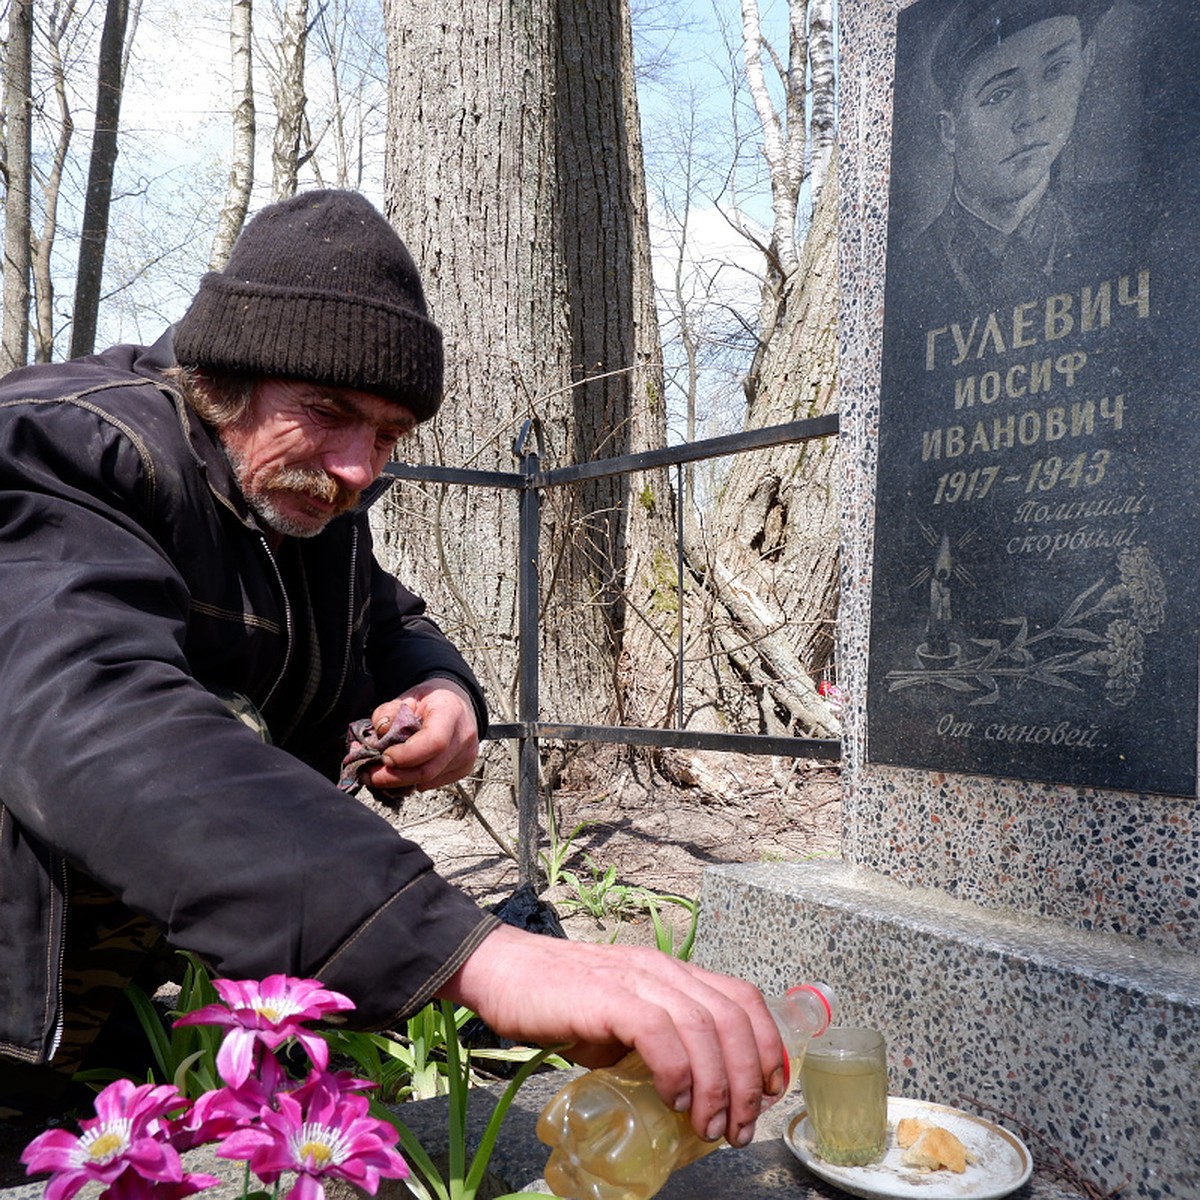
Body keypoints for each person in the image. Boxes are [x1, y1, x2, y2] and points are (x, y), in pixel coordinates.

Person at [0, 190, 784, 1152]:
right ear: (218, 376)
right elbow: (93, 716)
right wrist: (471, 954)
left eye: (389, 436)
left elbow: (384, 615)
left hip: (112, 983)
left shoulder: (290, 488)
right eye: (327, 412)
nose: (359, 467)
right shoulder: (59, 451)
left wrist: (445, 695)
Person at [907, 0, 1124, 317]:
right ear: (950, 131)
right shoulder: (914, 271)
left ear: (1086, 61)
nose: (1033, 115)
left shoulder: (1129, 227)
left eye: (1055, 70)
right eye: (999, 94)